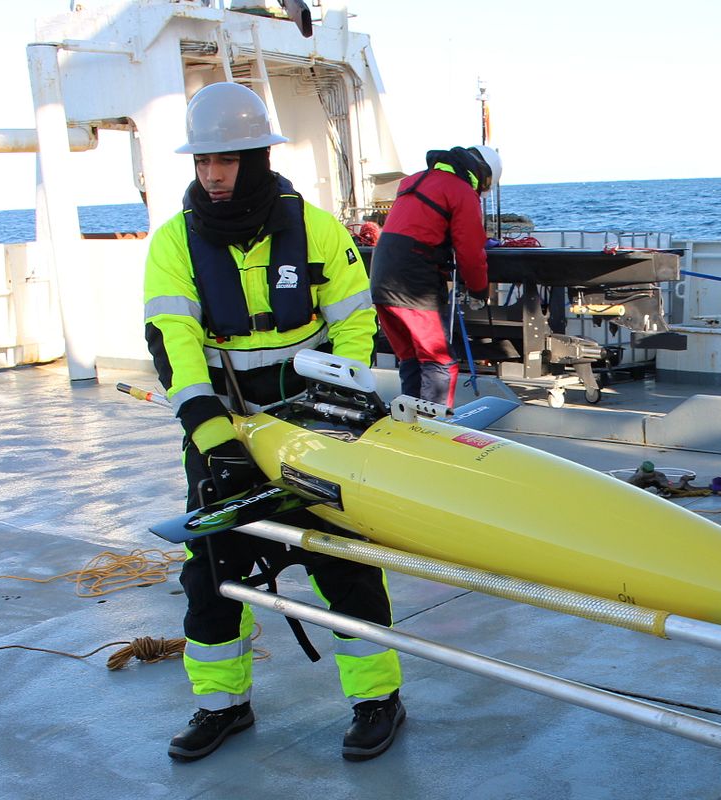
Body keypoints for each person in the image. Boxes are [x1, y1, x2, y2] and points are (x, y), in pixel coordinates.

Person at [143, 81, 405, 763]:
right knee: (209, 577)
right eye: (203, 163)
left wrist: (340, 407)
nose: (213, 176)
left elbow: (354, 323)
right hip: (223, 430)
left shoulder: (315, 229)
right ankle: (221, 708)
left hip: (311, 422)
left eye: (224, 162)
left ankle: (378, 699)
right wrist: (211, 435)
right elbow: (171, 341)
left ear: (256, 158)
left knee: (345, 566)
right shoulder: (174, 242)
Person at [370, 144, 501, 406]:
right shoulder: (460, 190)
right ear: (482, 175)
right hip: (413, 283)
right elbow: (471, 253)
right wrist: (478, 290)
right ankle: (434, 431)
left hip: (381, 277)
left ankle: (409, 426)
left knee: (411, 357)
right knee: (438, 361)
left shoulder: (418, 180)